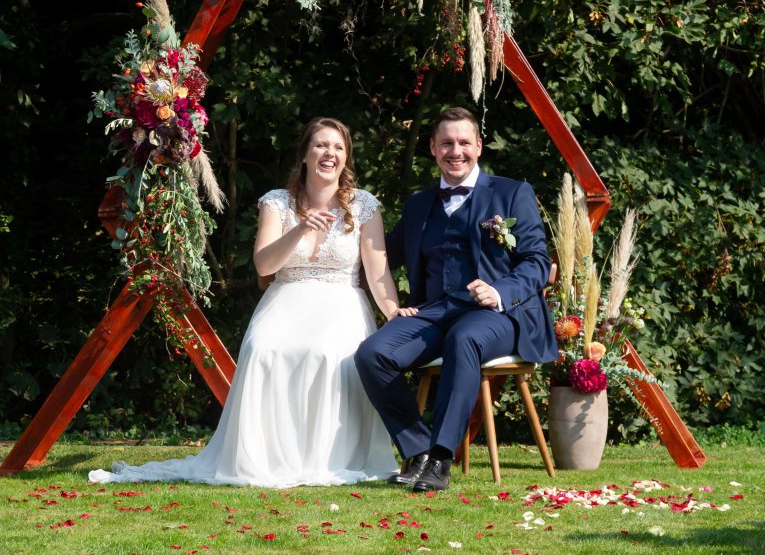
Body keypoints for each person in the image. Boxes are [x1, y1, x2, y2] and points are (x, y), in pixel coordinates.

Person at [89, 117, 415, 487]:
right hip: (287, 297)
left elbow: (378, 272)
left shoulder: (364, 206)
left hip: (341, 302)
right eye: (322, 145)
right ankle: (265, 457)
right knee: (263, 347)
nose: (330, 154)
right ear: (306, 154)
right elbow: (265, 264)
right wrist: (301, 228)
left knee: (327, 351)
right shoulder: (277, 203)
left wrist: (393, 311)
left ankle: (327, 457)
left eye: (338, 147)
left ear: (347, 158)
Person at [354, 107, 558, 492]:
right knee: (372, 354)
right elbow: (379, 253)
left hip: (498, 314)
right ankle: (418, 451)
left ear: (479, 147)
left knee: (464, 337)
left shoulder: (512, 193)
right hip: (432, 311)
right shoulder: (418, 204)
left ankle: (442, 458)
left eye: (464, 142)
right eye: (446, 143)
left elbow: (536, 262)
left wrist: (500, 291)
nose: (455, 150)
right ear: (432, 148)